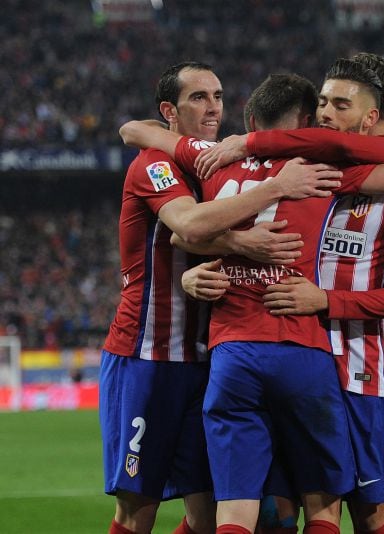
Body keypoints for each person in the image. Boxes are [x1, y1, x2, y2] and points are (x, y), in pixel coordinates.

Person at [119, 71, 384, 534]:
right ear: (306, 123)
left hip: (239, 356)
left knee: (238, 509)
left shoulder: (213, 162)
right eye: (322, 106)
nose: (327, 115)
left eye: (339, 105)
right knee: (330, 506)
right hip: (307, 352)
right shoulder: (323, 173)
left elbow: (182, 222)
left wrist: (146, 132)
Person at [101, 62, 341, 534]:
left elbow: (140, 129)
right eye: (198, 98)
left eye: (218, 96)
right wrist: (257, 214)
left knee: (213, 512)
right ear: (170, 110)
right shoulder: (156, 165)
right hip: (150, 355)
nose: (213, 107)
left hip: (210, 355)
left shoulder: (213, 160)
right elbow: (189, 226)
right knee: (138, 507)